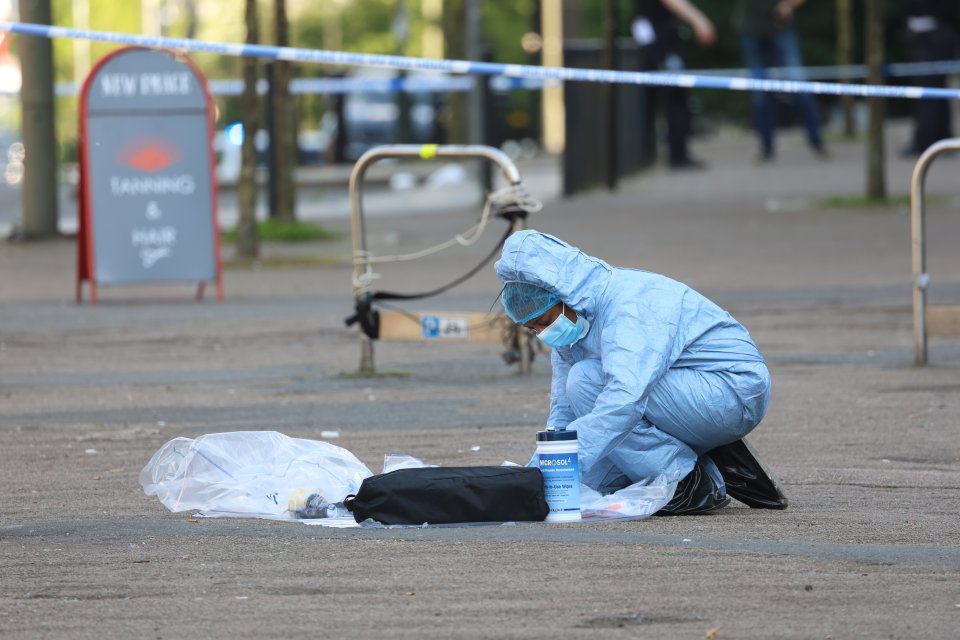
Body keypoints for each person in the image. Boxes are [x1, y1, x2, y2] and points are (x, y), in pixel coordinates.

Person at [496, 230, 787, 514]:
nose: (542, 334)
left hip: (732, 391)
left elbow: (625, 398)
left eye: (545, 321)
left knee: (586, 381)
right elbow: (563, 412)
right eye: (532, 328)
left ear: (563, 294)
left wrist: (558, 466)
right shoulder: (577, 323)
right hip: (690, 392)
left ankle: (690, 481)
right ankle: (715, 454)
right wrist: (541, 467)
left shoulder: (628, 304)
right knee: (590, 482)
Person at [732, 0, 826, 163]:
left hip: (781, 27)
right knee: (760, 95)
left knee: (799, 88)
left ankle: (817, 143)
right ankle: (766, 149)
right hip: (751, 29)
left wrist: (789, 5)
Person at [631, 0, 717, 170]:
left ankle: (651, 154)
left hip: (653, 35)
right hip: (660, 38)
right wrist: (699, 20)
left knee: (654, 98)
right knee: (673, 97)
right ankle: (675, 155)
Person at [901, 1, 960, 156]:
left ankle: (928, 141)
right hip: (929, 36)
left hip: (935, 37)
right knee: (934, 91)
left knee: (928, 92)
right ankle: (939, 138)